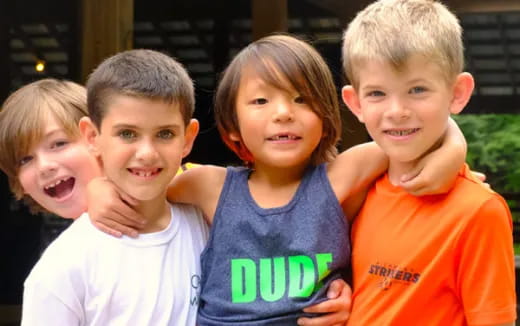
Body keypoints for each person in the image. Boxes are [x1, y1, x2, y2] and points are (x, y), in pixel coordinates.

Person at [88, 35, 468, 325]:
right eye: (261, 101)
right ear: (232, 126)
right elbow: (143, 179)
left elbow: (413, 131)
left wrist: (453, 148)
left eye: (302, 99)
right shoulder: (209, 186)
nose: (284, 113)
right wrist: (99, 186)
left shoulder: (342, 176)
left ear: (326, 115)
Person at [340, 0, 516, 324]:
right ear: (355, 103)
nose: (397, 110)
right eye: (377, 94)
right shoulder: (354, 195)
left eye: (417, 89)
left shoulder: (478, 211)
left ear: (457, 93)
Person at [18, 49, 209, 325]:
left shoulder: (207, 219)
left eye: (165, 133)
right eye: (127, 134)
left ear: (188, 138)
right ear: (92, 137)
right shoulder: (62, 268)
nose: (146, 153)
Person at [0, 79, 102, 220]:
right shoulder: (75, 241)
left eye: (59, 144)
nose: (44, 166)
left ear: (94, 137)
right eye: (25, 159)